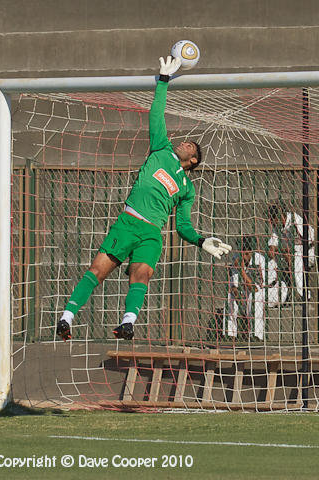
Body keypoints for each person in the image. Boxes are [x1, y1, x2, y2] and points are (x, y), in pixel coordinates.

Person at [55, 56, 232, 341]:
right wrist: (162, 81)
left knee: (142, 274)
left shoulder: (187, 188)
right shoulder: (161, 149)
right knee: (97, 271)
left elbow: (182, 226)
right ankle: (66, 317)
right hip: (128, 222)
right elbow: (156, 115)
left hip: (151, 233)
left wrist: (201, 240)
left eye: (191, 145)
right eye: (186, 140)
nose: (185, 141)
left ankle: (127, 322)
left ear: (194, 160)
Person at [225, 235, 278, 341]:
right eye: (242, 253)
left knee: (255, 296)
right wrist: (237, 295)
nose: (244, 257)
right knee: (230, 296)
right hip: (247, 292)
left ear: (252, 251)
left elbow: (255, 288)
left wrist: (241, 271)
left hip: (271, 291)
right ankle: (231, 335)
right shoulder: (236, 258)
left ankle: (256, 336)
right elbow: (234, 285)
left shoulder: (259, 260)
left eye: (247, 253)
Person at [267, 203, 315, 299]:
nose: (270, 221)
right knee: (271, 260)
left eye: (272, 219)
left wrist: (286, 251)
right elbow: (272, 247)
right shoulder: (278, 226)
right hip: (291, 253)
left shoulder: (295, 220)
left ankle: (305, 294)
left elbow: (309, 241)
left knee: (296, 259)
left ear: (280, 216)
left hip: (311, 251)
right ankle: (270, 284)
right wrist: (282, 251)